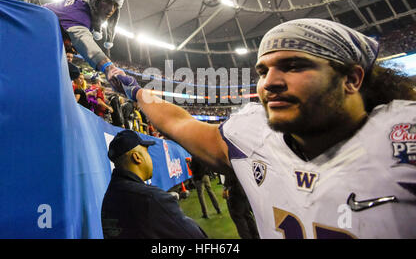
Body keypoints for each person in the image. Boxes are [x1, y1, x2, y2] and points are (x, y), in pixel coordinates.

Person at [111, 18, 416, 239]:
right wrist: (137, 93)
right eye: (263, 70)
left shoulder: (402, 136)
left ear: (351, 79)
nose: (270, 82)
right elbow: (180, 121)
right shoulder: (251, 133)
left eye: (294, 66)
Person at [101, 130, 208, 239]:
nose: (150, 158)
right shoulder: (150, 198)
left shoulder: (108, 198)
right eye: (147, 152)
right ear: (137, 157)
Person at [43, 0, 128, 90]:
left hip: (40, 37)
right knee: (69, 72)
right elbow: (85, 43)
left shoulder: (82, 7)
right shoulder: (80, 14)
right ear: (96, 1)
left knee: (72, 71)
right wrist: (109, 68)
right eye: (107, 2)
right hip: (31, 36)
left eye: (115, 5)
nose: (111, 9)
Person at [222, 170, 259, 239]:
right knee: (247, 215)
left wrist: (225, 187)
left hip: (236, 191)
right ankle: (256, 236)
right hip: (244, 189)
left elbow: (230, 171)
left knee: (239, 219)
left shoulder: (232, 161)